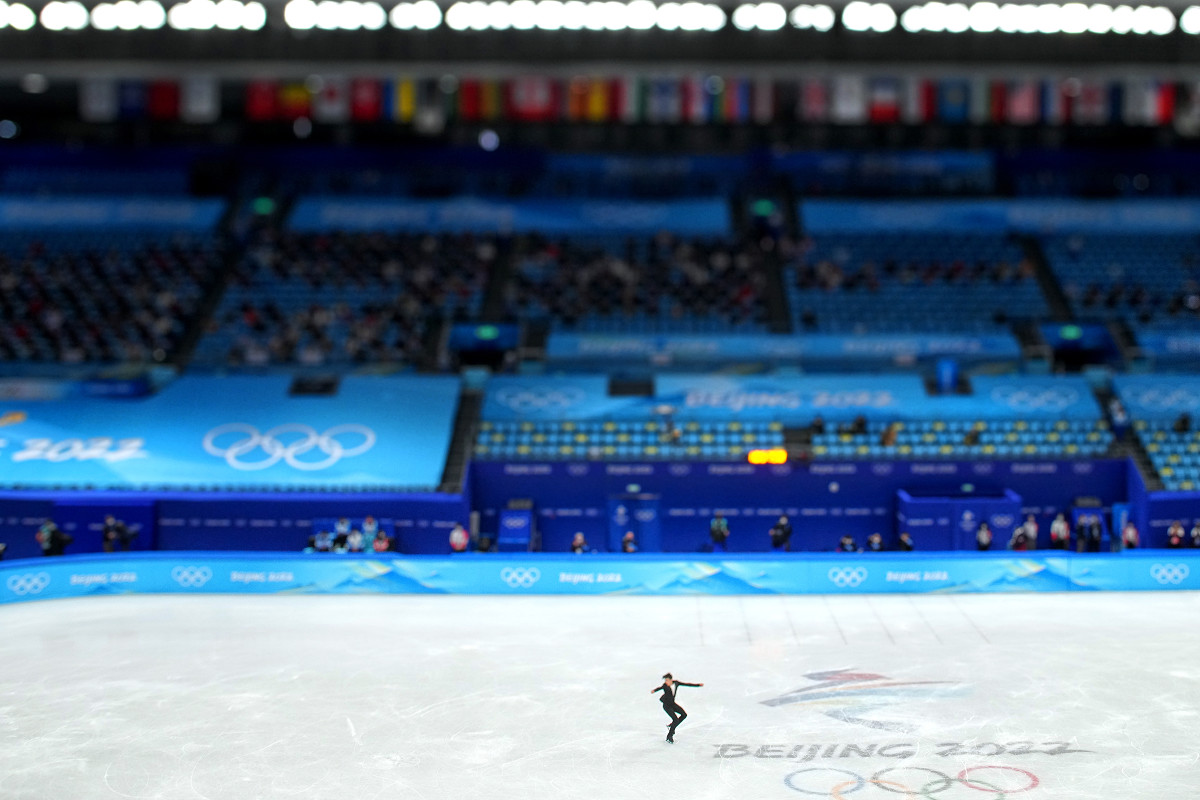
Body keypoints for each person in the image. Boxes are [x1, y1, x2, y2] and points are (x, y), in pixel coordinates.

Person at [652, 672, 703, 743]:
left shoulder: (676, 683)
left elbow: (687, 684)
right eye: (665, 680)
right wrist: (654, 690)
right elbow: (660, 688)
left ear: (670, 680)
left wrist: (698, 685)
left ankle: (672, 726)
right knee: (675, 720)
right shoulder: (665, 686)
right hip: (667, 706)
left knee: (684, 715)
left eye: (667, 680)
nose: (666, 682)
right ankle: (669, 736)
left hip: (672, 704)